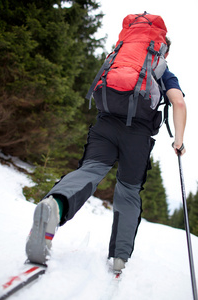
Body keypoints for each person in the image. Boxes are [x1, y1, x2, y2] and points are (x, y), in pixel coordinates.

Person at [26, 18, 186, 273]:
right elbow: (177, 103)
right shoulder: (162, 69)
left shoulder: (118, 57)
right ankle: (120, 257)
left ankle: (54, 205)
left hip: (105, 125)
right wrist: (178, 141)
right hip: (138, 136)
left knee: (89, 172)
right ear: (164, 48)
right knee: (128, 190)